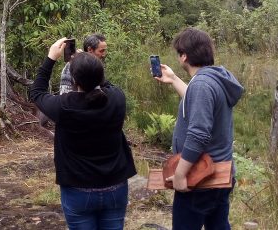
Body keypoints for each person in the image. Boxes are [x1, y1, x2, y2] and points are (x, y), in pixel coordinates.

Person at [29, 38, 136, 230]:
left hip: (78, 190)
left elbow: (36, 92)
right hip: (116, 187)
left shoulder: (64, 106)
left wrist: (51, 58)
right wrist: (86, 63)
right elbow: (104, 83)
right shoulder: (117, 98)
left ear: (74, 80)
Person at [155, 28, 244, 230]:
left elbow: (198, 134)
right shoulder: (212, 78)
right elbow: (200, 104)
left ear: (184, 56)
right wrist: (174, 79)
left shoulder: (202, 84)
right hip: (219, 174)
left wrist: (180, 174)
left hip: (201, 177)